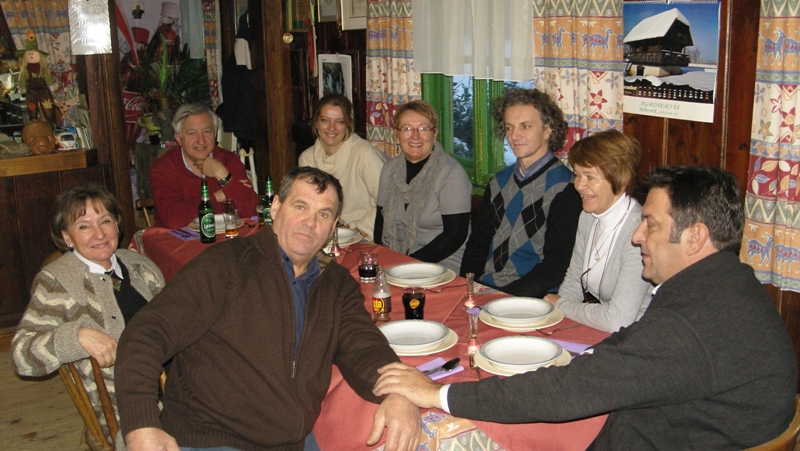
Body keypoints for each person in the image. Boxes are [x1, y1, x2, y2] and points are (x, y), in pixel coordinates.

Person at [374, 166, 797, 450]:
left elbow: (565, 394)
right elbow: (635, 349)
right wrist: (597, 360)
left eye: (650, 223)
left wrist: (436, 392)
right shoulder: (727, 285)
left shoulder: (691, 323)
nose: (637, 236)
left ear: (694, 237)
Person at [116, 167, 420, 451]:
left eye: (323, 214)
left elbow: (362, 345)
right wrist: (141, 424)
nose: (310, 222)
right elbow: (147, 333)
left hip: (291, 441)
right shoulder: (226, 264)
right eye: (300, 206)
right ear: (275, 208)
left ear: (333, 226)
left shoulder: (336, 285)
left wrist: (398, 392)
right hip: (214, 438)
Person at [12, 182, 165, 442]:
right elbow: (22, 356)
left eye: (105, 221)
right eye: (84, 226)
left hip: (177, 391)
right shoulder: (58, 282)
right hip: (132, 416)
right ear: (67, 238)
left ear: (117, 224)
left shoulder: (140, 266)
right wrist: (76, 337)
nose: (99, 234)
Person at [459, 88, 581, 297]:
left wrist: (503, 298)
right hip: (487, 289)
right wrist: (468, 287)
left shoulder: (566, 188)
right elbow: (477, 245)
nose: (514, 136)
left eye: (525, 126)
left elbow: (556, 267)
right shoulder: (498, 182)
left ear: (548, 130)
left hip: (532, 297)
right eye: (509, 127)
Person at [542, 130, 652, 332]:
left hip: (640, 334)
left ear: (622, 180)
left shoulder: (638, 231)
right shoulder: (588, 216)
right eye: (577, 175)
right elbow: (574, 280)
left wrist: (561, 305)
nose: (579, 185)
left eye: (590, 177)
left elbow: (618, 320)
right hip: (602, 327)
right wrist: (555, 319)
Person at [374, 100, 471, 272]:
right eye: (407, 128)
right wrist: (386, 260)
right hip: (398, 258)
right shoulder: (389, 170)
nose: (415, 136)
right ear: (397, 135)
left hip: (443, 262)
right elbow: (380, 225)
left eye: (423, 128)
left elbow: (454, 236)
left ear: (435, 134)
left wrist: (407, 265)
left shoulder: (452, 173)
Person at [150, 103, 258, 229]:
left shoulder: (229, 160)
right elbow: (174, 220)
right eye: (192, 133)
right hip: (179, 239)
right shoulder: (163, 168)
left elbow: (251, 210)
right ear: (178, 138)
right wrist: (221, 195)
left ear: (215, 134)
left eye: (207, 132)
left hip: (227, 236)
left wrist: (222, 174)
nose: (201, 141)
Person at [299, 94, 386, 240]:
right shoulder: (307, 159)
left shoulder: (364, 154)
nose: (331, 128)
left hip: (365, 235)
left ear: (348, 124)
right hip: (322, 233)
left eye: (339, 122)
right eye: (325, 120)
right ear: (316, 123)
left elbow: (389, 201)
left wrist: (360, 229)